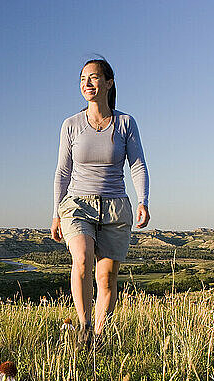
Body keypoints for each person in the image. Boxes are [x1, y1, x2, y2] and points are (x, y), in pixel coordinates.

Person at [51, 57, 150, 350]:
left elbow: (138, 165)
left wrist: (142, 200)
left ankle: (100, 337)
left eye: (93, 78)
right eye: (83, 79)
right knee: (82, 258)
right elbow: (62, 171)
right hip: (78, 204)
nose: (87, 83)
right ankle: (83, 326)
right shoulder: (71, 124)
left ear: (109, 83)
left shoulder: (125, 123)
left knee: (106, 278)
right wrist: (56, 212)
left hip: (116, 206)